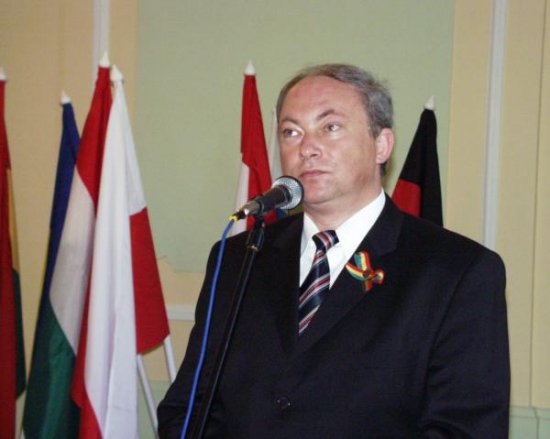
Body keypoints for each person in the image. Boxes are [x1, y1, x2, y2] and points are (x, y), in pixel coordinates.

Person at [158, 63, 510, 438]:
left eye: (330, 127)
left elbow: (463, 430)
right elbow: (188, 409)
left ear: (381, 145)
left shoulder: (458, 272)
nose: (307, 148)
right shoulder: (239, 257)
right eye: (291, 132)